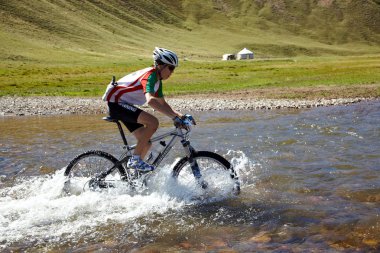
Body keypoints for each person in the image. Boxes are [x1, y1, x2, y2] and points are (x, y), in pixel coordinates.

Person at [102, 47, 189, 172]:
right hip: (116, 104)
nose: (172, 72)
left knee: (146, 144)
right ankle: (135, 160)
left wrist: (179, 115)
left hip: (123, 104)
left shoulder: (158, 81)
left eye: (173, 69)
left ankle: (134, 177)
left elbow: (162, 103)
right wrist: (173, 117)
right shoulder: (150, 76)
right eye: (171, 68)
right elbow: (151, 101)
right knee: (153, 122)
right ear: (160, 65)